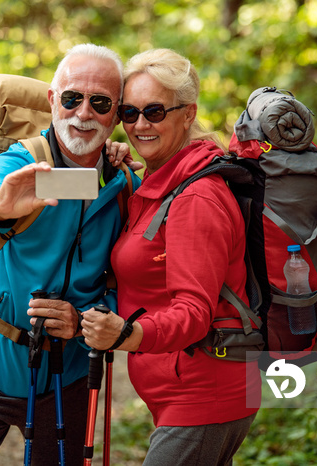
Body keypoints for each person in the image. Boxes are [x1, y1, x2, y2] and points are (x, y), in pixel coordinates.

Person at [0, 44, 141, 466]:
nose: (83, 113)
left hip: (70, 378)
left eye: (100, 102)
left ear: (116, 114)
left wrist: (83, 321)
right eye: (71, 98)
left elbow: (133, 286)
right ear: (52, 101)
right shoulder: (22, 161)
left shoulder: (123, 187)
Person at [81, 48, 261, 466]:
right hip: (188, 395)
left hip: (205, 394)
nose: (140, 124)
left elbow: (194, 311)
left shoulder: (196, 197)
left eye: (156, 111)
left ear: (187, 113)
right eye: (129, 112)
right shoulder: (162, 180)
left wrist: (125, 334)